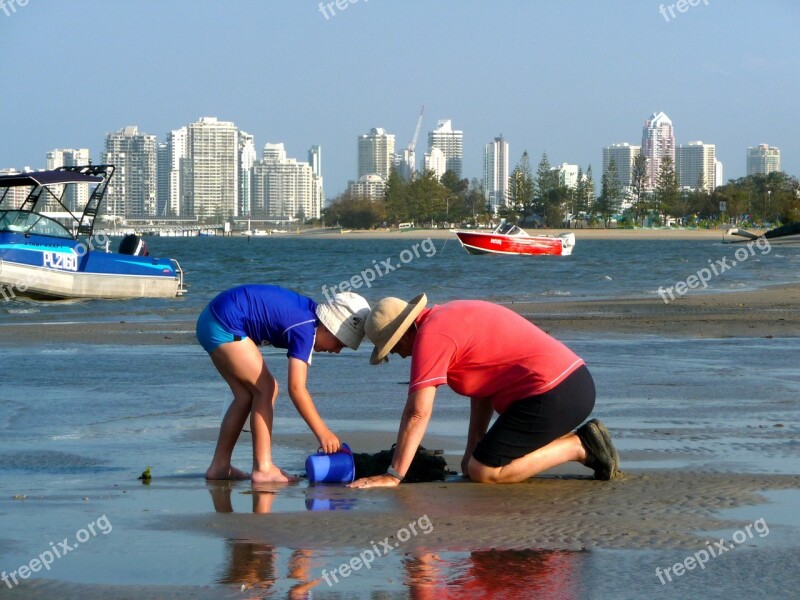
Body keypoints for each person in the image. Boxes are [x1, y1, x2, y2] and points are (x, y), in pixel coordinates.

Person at [348, 293, 621, 489]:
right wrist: (471, 451)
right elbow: (482, 389)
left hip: (554, 393)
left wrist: (394, 474)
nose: (400, 356)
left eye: (394, 349)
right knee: (474, 464)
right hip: (571, 384)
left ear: (405, 333)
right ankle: (579, 443)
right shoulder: (448, 315)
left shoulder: (431, 336)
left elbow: (417, 413)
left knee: (484, 472)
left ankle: (580, 446)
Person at [197, 284, 370, 483]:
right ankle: (263, 468)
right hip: (225, 322)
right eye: (340, 343)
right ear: (330, 328)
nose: (338, 351)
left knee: (245, 396)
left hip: (211, 319)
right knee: (267, 389)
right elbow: (296, 388)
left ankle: (220, 466)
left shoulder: (306, 317)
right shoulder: (306, 329)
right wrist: (323, 432)